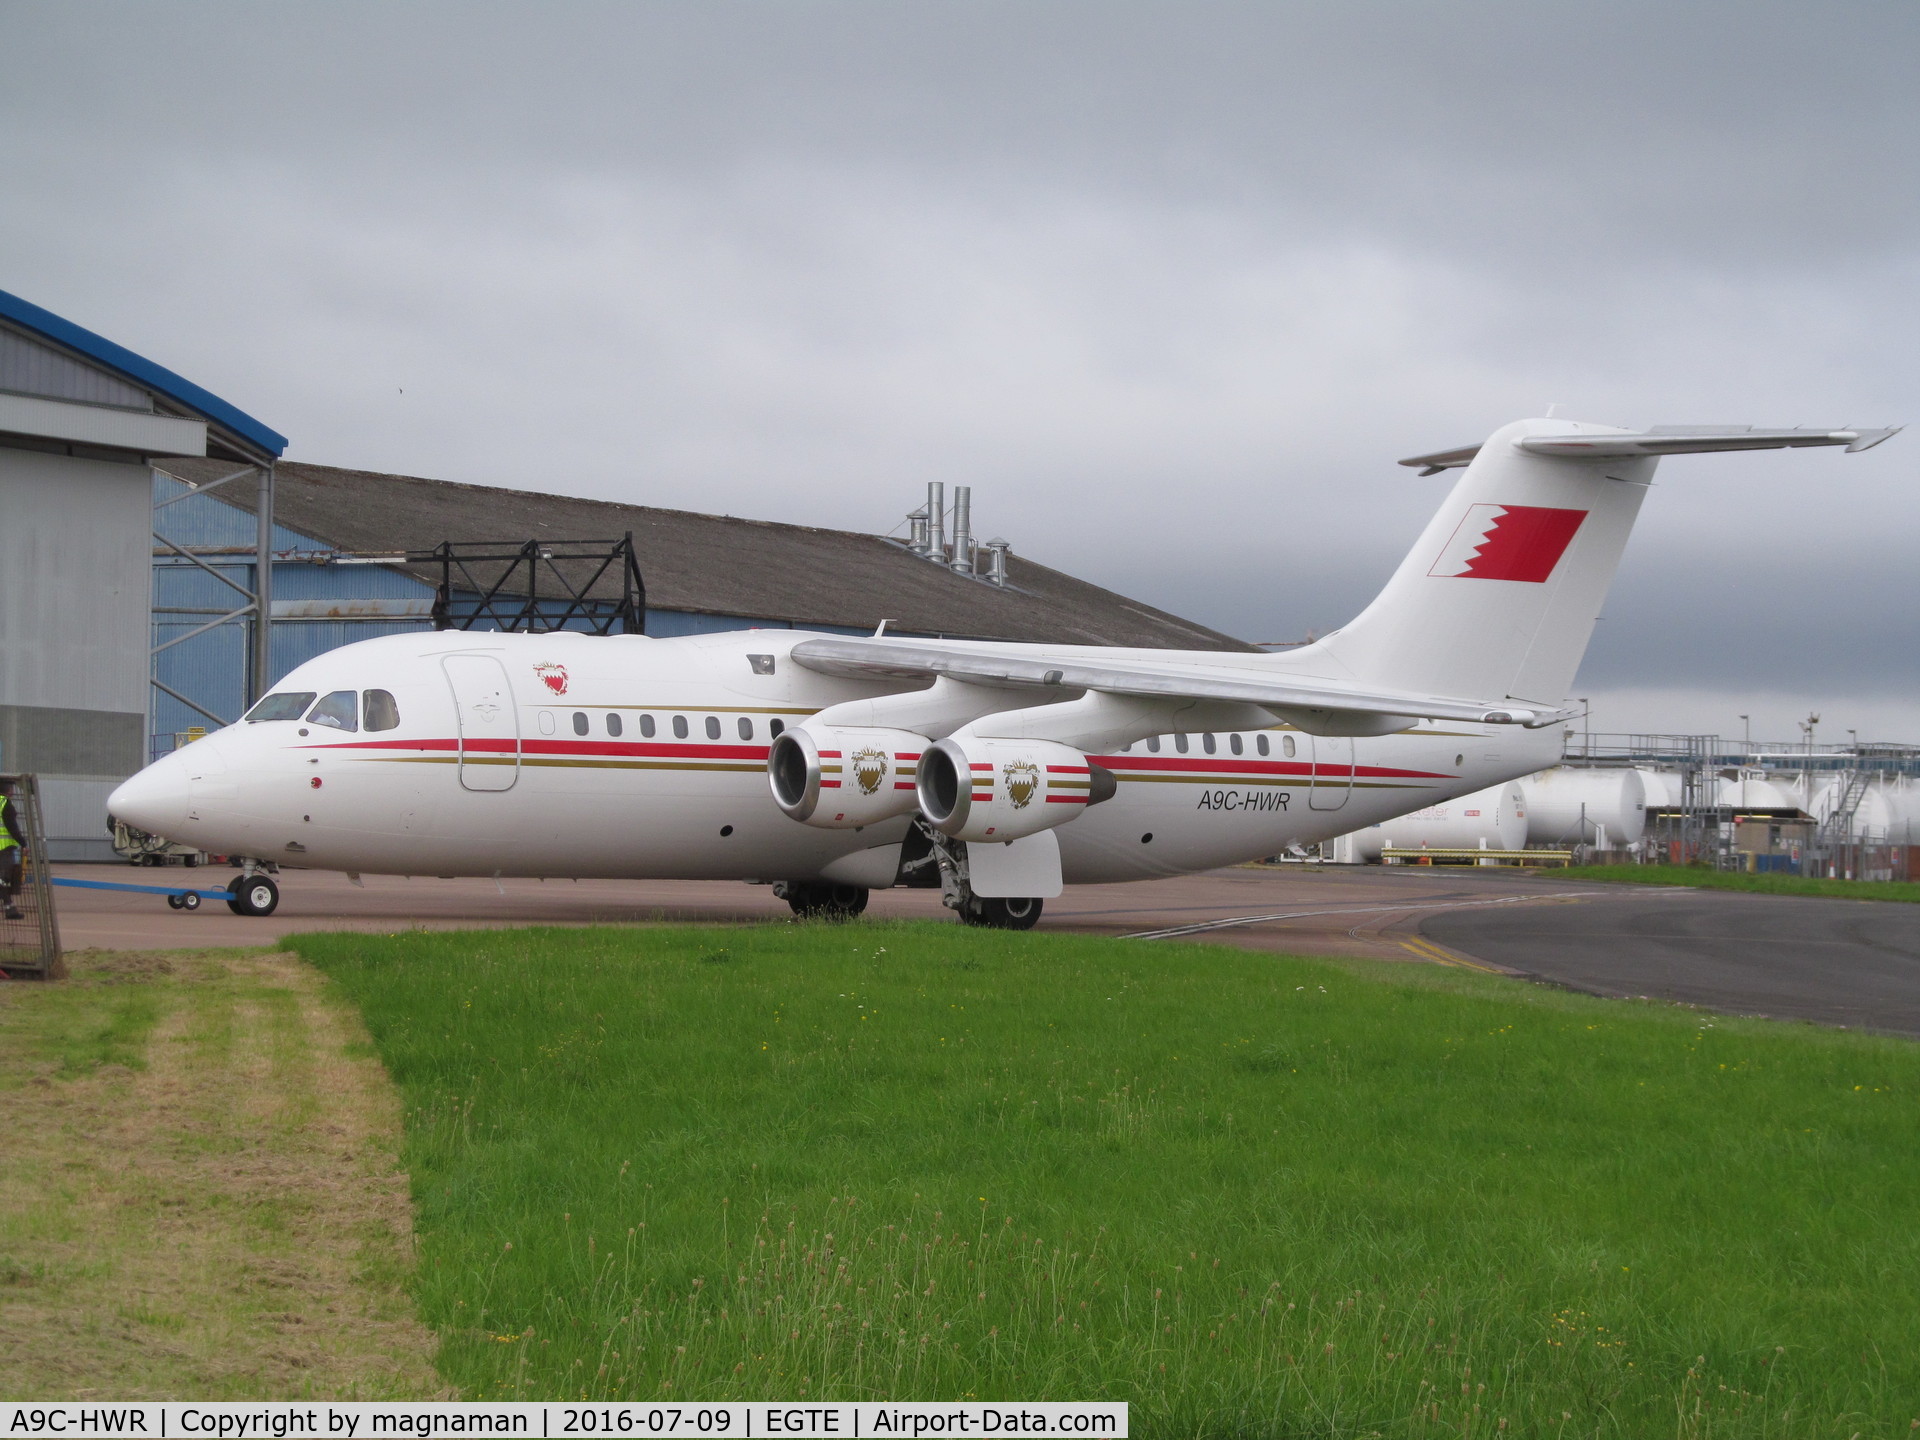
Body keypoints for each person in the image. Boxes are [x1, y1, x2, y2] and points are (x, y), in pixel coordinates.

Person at [0, 782, 24, 921]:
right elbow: (12, 827)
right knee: (4, 879)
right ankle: (9, 909)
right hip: (4, 848)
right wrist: (23, 843)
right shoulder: (6, 805)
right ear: (8, 790)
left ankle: (10, 907)